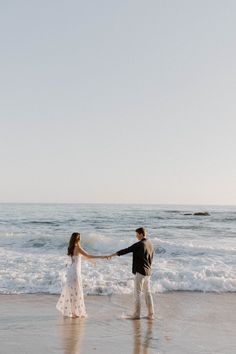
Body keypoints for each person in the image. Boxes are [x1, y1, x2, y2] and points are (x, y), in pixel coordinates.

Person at [56, 232, 108, 318]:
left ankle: (72, 312)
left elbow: (80, 257)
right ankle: (74, 313)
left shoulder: (71, 247)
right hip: (75, 272)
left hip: (71, 272)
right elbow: (89, 256)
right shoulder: (78, 248)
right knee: (76, 292)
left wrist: (92, 262)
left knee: (72, 292)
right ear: (78, 239)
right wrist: (103, 257)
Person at [109, 227, 154, 320]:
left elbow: (126, 250)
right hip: (148, 272)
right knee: (147, 293)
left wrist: (112, 255)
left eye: (137, 234)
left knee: (137, 293)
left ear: (141, 234)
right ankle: (151, 314)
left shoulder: (139, 244)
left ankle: (136, 314)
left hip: (140, 272)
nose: (136, 236)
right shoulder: (150, 243)